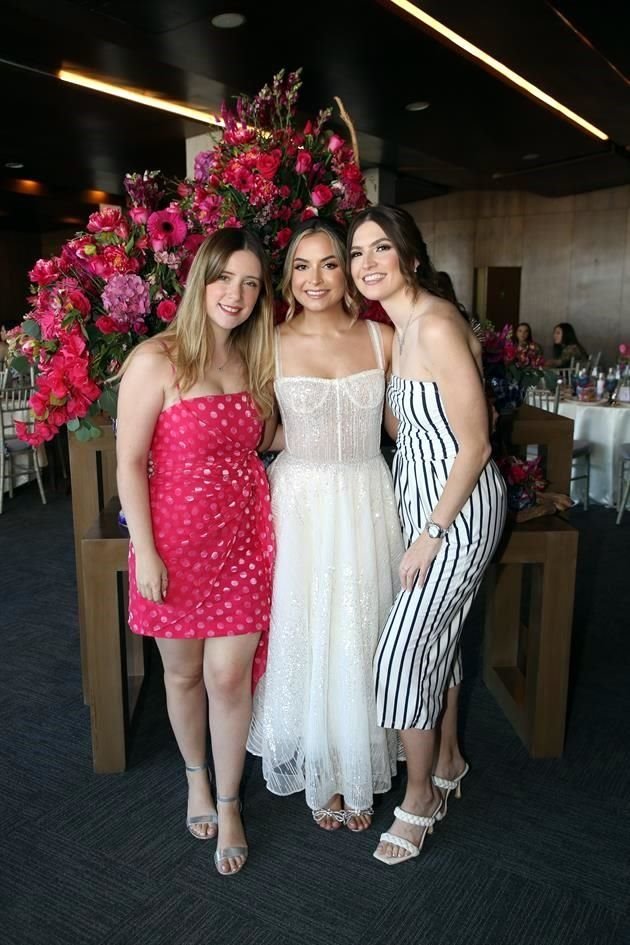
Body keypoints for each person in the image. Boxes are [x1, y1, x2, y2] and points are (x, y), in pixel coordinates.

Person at [348, 205, 507, 865]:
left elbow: (476, 441)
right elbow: (409, 430)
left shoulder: (436, 325)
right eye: (357, 253)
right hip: (424, 504)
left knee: (401, 655)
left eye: (380, 248)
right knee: (435, 636)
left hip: (458, 512)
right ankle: (447, 754)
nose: (366, 264)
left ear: (409, 255)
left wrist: (433, 532)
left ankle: (419, 799)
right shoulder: (401, 327)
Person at [116, 228, 276, 876]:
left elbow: (274, 436)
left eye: (250, 283)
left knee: (228, 677)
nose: (235, 294)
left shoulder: (253, 359)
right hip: (172, 547)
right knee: (181, 675)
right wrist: (145, 551)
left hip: (242, 541)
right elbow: (129, 463)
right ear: (200, 278)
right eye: (224, 277)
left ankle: (231, 800)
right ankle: (195, 778)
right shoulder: (155, 358)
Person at [248, 219, 403, 832]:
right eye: (303, 266)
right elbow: (260, 432)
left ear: (348, 274)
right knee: (308, 630)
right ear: (288, 276)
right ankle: (320, 767)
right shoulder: (271, 342)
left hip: (368, 496)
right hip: (302, 502)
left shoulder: (381, 338)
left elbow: (406, 428)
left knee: (363, 630)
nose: (316, 279)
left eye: (329, 264)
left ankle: (355, 765)